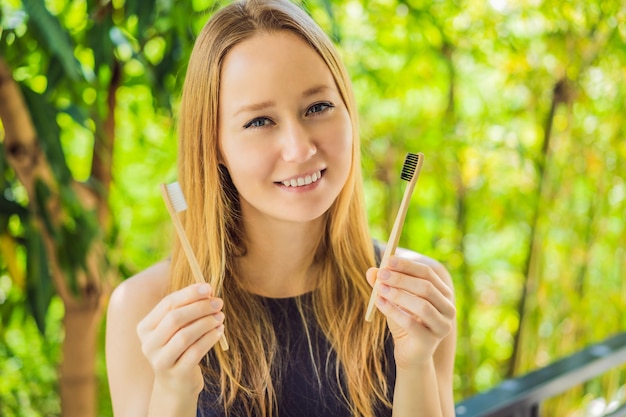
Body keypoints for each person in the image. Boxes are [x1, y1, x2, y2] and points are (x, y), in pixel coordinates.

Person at [105, 0, 457, 416]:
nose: (300, 148)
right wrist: (174, 391)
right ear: (214, 144)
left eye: (318, 107)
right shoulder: (142, 309)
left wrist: (415, 365)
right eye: (259, 121)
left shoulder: (418, 295)